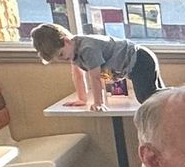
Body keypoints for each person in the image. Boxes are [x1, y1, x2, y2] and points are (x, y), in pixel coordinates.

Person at [32, 21, 164, 105]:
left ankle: (181, 95)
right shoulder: (74, 53)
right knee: (159, 95)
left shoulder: (87, 49)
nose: (63, 59)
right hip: (136, 62)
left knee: (146, 98)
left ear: (66, 41)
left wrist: (98, 103)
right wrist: (82, 99)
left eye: (61, 54)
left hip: (140, 60)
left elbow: (95, 78)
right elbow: (78, 75)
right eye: (58, 59)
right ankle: (177, 96)